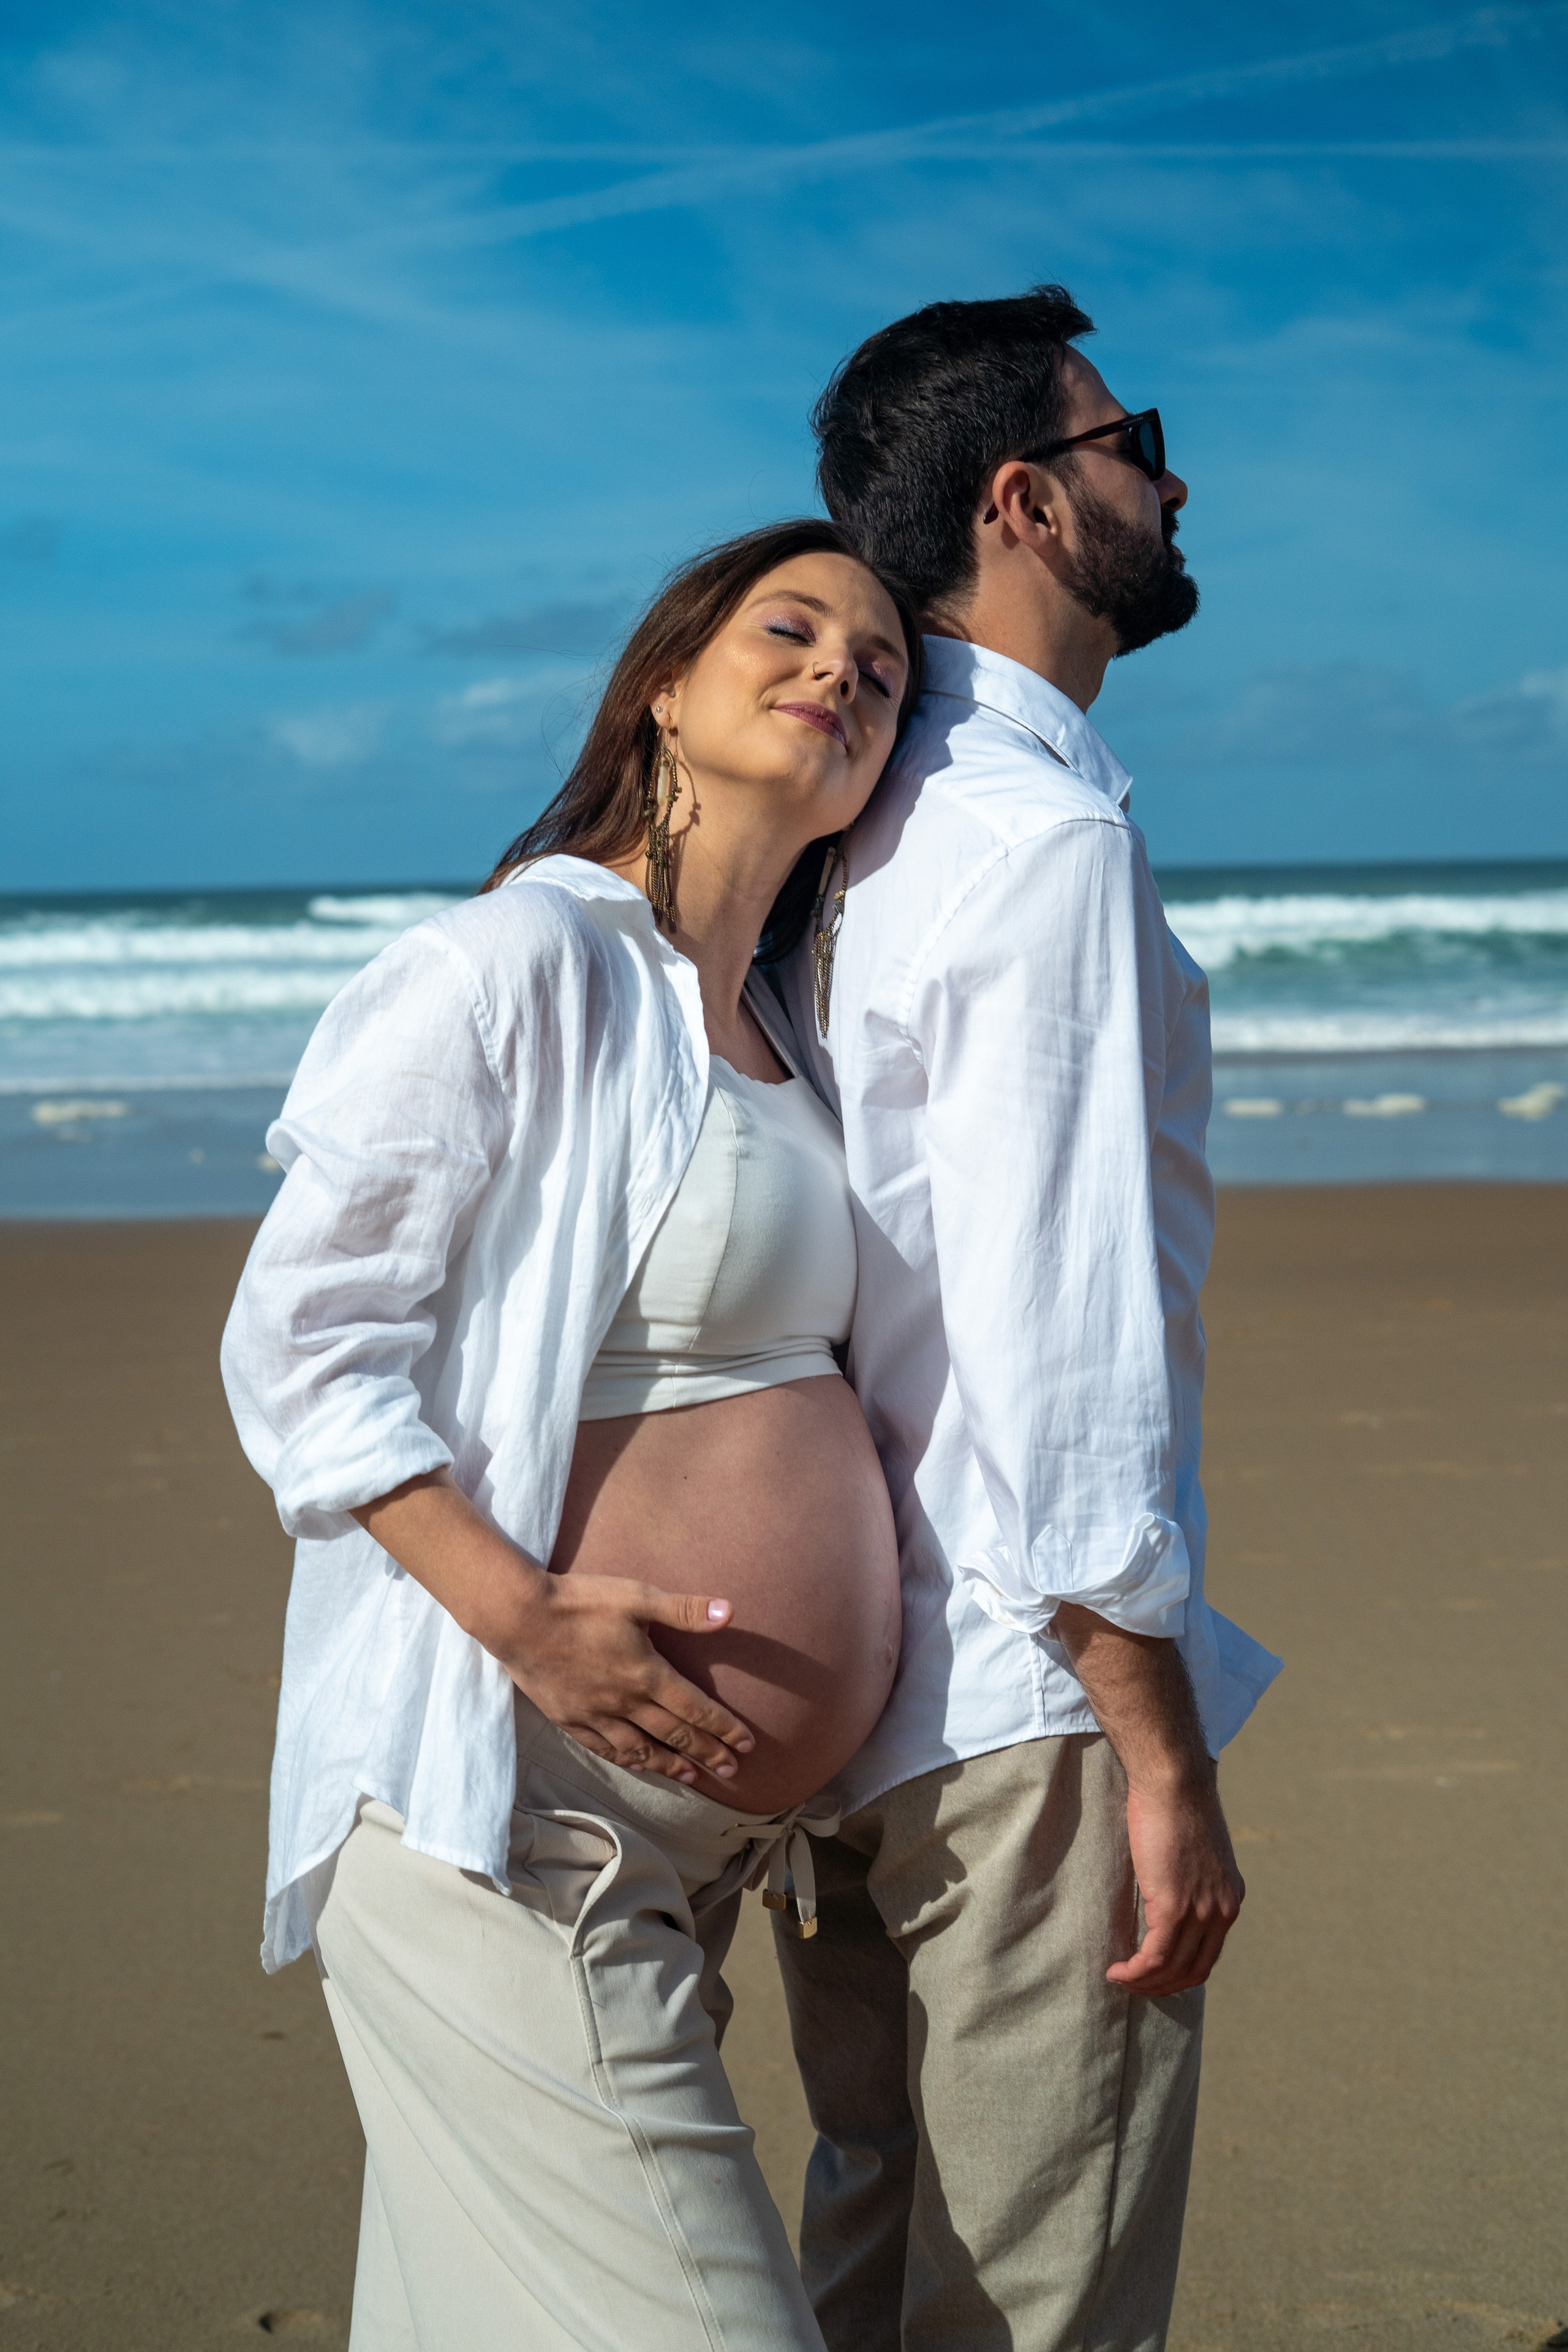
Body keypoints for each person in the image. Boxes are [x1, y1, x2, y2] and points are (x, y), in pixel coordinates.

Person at [221, 518, 923, 2352]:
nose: (842, 671)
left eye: (883, 665)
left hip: (682, 1870)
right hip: (510, 1841)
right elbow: (301, 1344)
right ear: (665, 693)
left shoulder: (791, 1032)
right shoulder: (514, 962)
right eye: (792, 629)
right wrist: (521, 1615)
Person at [766, 288, 1284, 2351]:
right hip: (1016, 1693)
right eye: (1128, 436)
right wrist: (1157, 1748)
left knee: (879, 2258)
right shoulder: (1036, 833)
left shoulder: (840, 827)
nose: (1166, 476)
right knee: (1037, 2309)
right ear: (1025, 505)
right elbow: (1063, 1346)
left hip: (851, 1675)